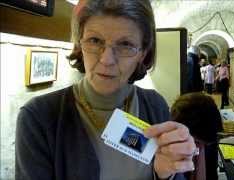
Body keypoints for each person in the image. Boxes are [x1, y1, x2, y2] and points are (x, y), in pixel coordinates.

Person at [15, 0, 197, 179]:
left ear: (143, 53)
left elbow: (174, 175)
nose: (107, 60)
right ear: (80, 44)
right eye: (95, 40)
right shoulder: (38, 117)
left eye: (125, 44)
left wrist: (165, 175)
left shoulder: (154, 104)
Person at [171, 92, 223, 180]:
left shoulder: (209, 144)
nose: (198, 148)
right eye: (197, 142)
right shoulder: (170, 152)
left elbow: (211, 174)